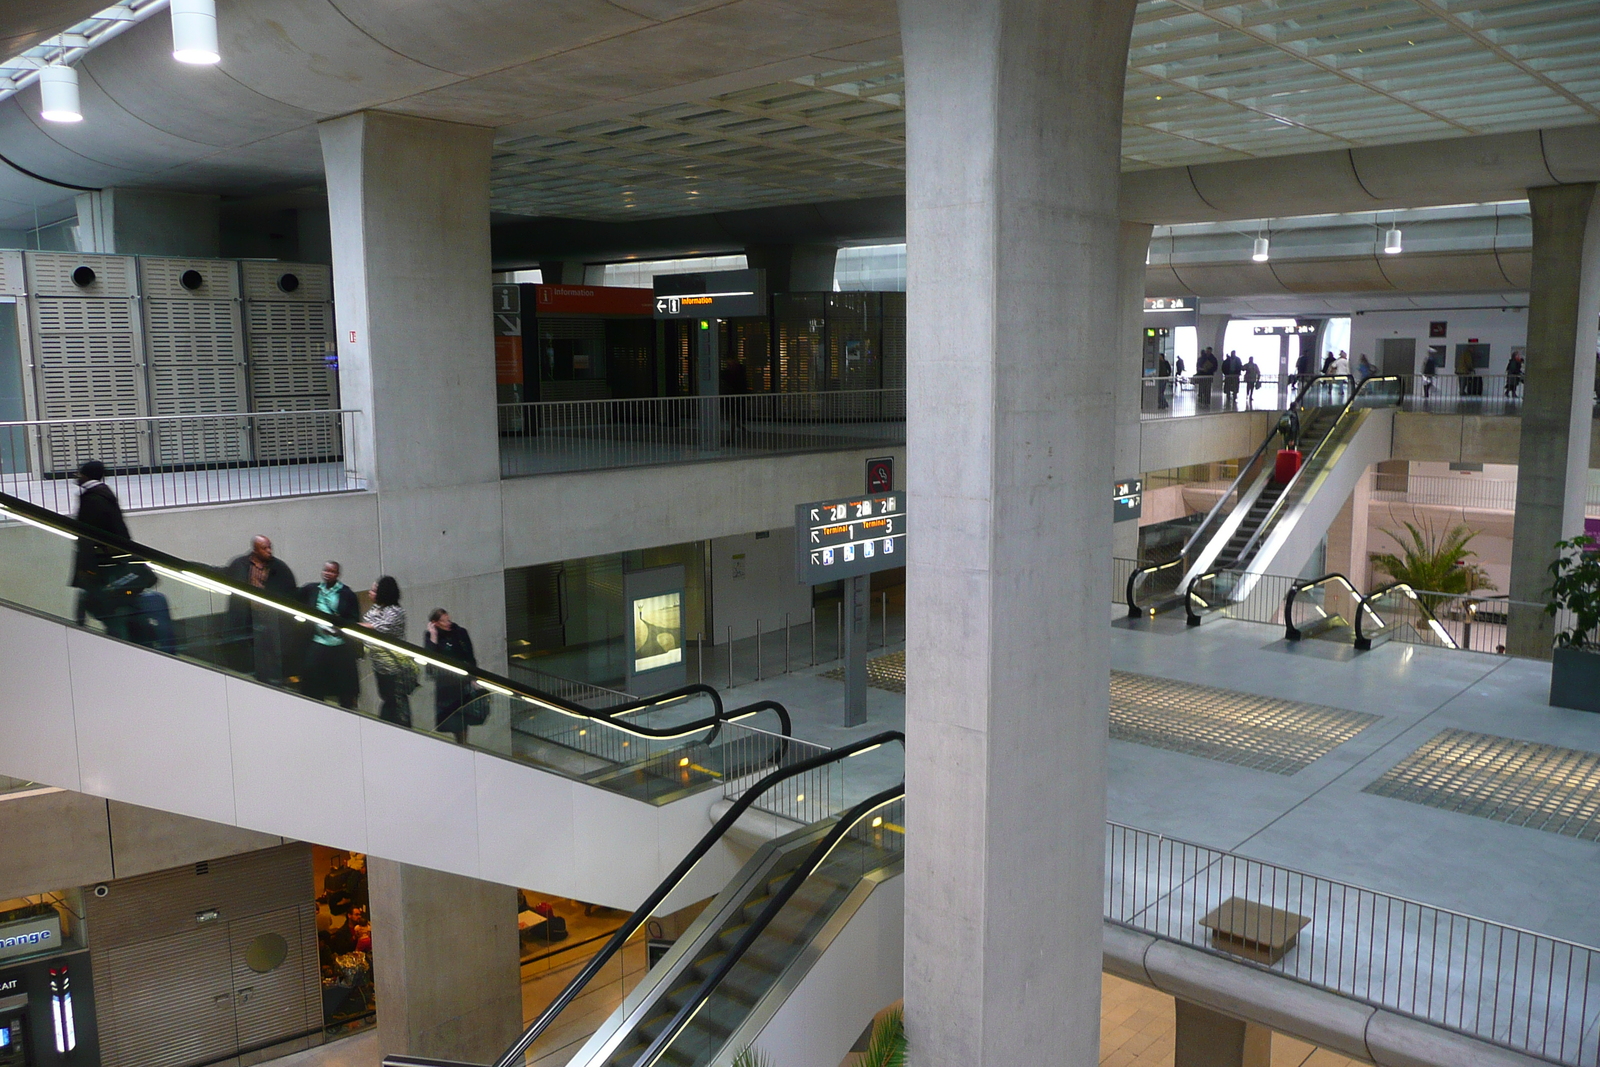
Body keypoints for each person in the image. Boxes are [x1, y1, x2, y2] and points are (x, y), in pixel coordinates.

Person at [70, 460, 134, 640]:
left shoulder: (92, 498)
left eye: (80, 473)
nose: (77, 476)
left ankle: (80, 633)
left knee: (101, 606)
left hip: (99, 564)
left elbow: (88, 533)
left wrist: (87, 567)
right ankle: (80, 630)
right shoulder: (104, 494)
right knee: (99, 603)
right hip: (108, 561)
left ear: (86, 475)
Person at [222, 535, 297, 685]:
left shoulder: (279, 568)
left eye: (270, 547)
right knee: (251, 650)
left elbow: (290, 591)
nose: (269, 551)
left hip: (272, 618)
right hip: (247, 616)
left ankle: (275, 680)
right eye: (264, 548)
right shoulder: (240, 564)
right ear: (255, 550)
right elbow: (224, 573)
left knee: (273, 650)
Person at [300, 561, 361, 709]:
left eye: (332, 572)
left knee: (344, 680)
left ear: (338, 574)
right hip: (319, 640)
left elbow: (353, 618)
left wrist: (339, 629)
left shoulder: (346, 593)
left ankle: (347, 705)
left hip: (339, 643)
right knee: (312, 673)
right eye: (326, 571)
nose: (328, 574)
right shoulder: (313, 589)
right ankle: (315, 704)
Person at [364, 575, 413, 727]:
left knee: (397, 701)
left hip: (395, 667)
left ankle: (401, 729)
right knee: (387, 697)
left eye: (374, 590)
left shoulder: (396, 611)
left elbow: (378, 627)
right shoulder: (375, 609)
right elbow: (369, 621)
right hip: (380, 666)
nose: (370, 593)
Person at [425, 608, 478, 743]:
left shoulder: (459, 633)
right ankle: (460, 744)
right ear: (435, 623)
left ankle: (463, 743)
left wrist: (473, 678)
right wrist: (433, 638)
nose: (448, 623)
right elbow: (430, 663)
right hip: (445, 685)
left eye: (448, 619)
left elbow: (470, 657)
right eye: (443, 621)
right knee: (451, 719)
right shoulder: (431, 636)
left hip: (461, 682)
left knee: (462, 719)